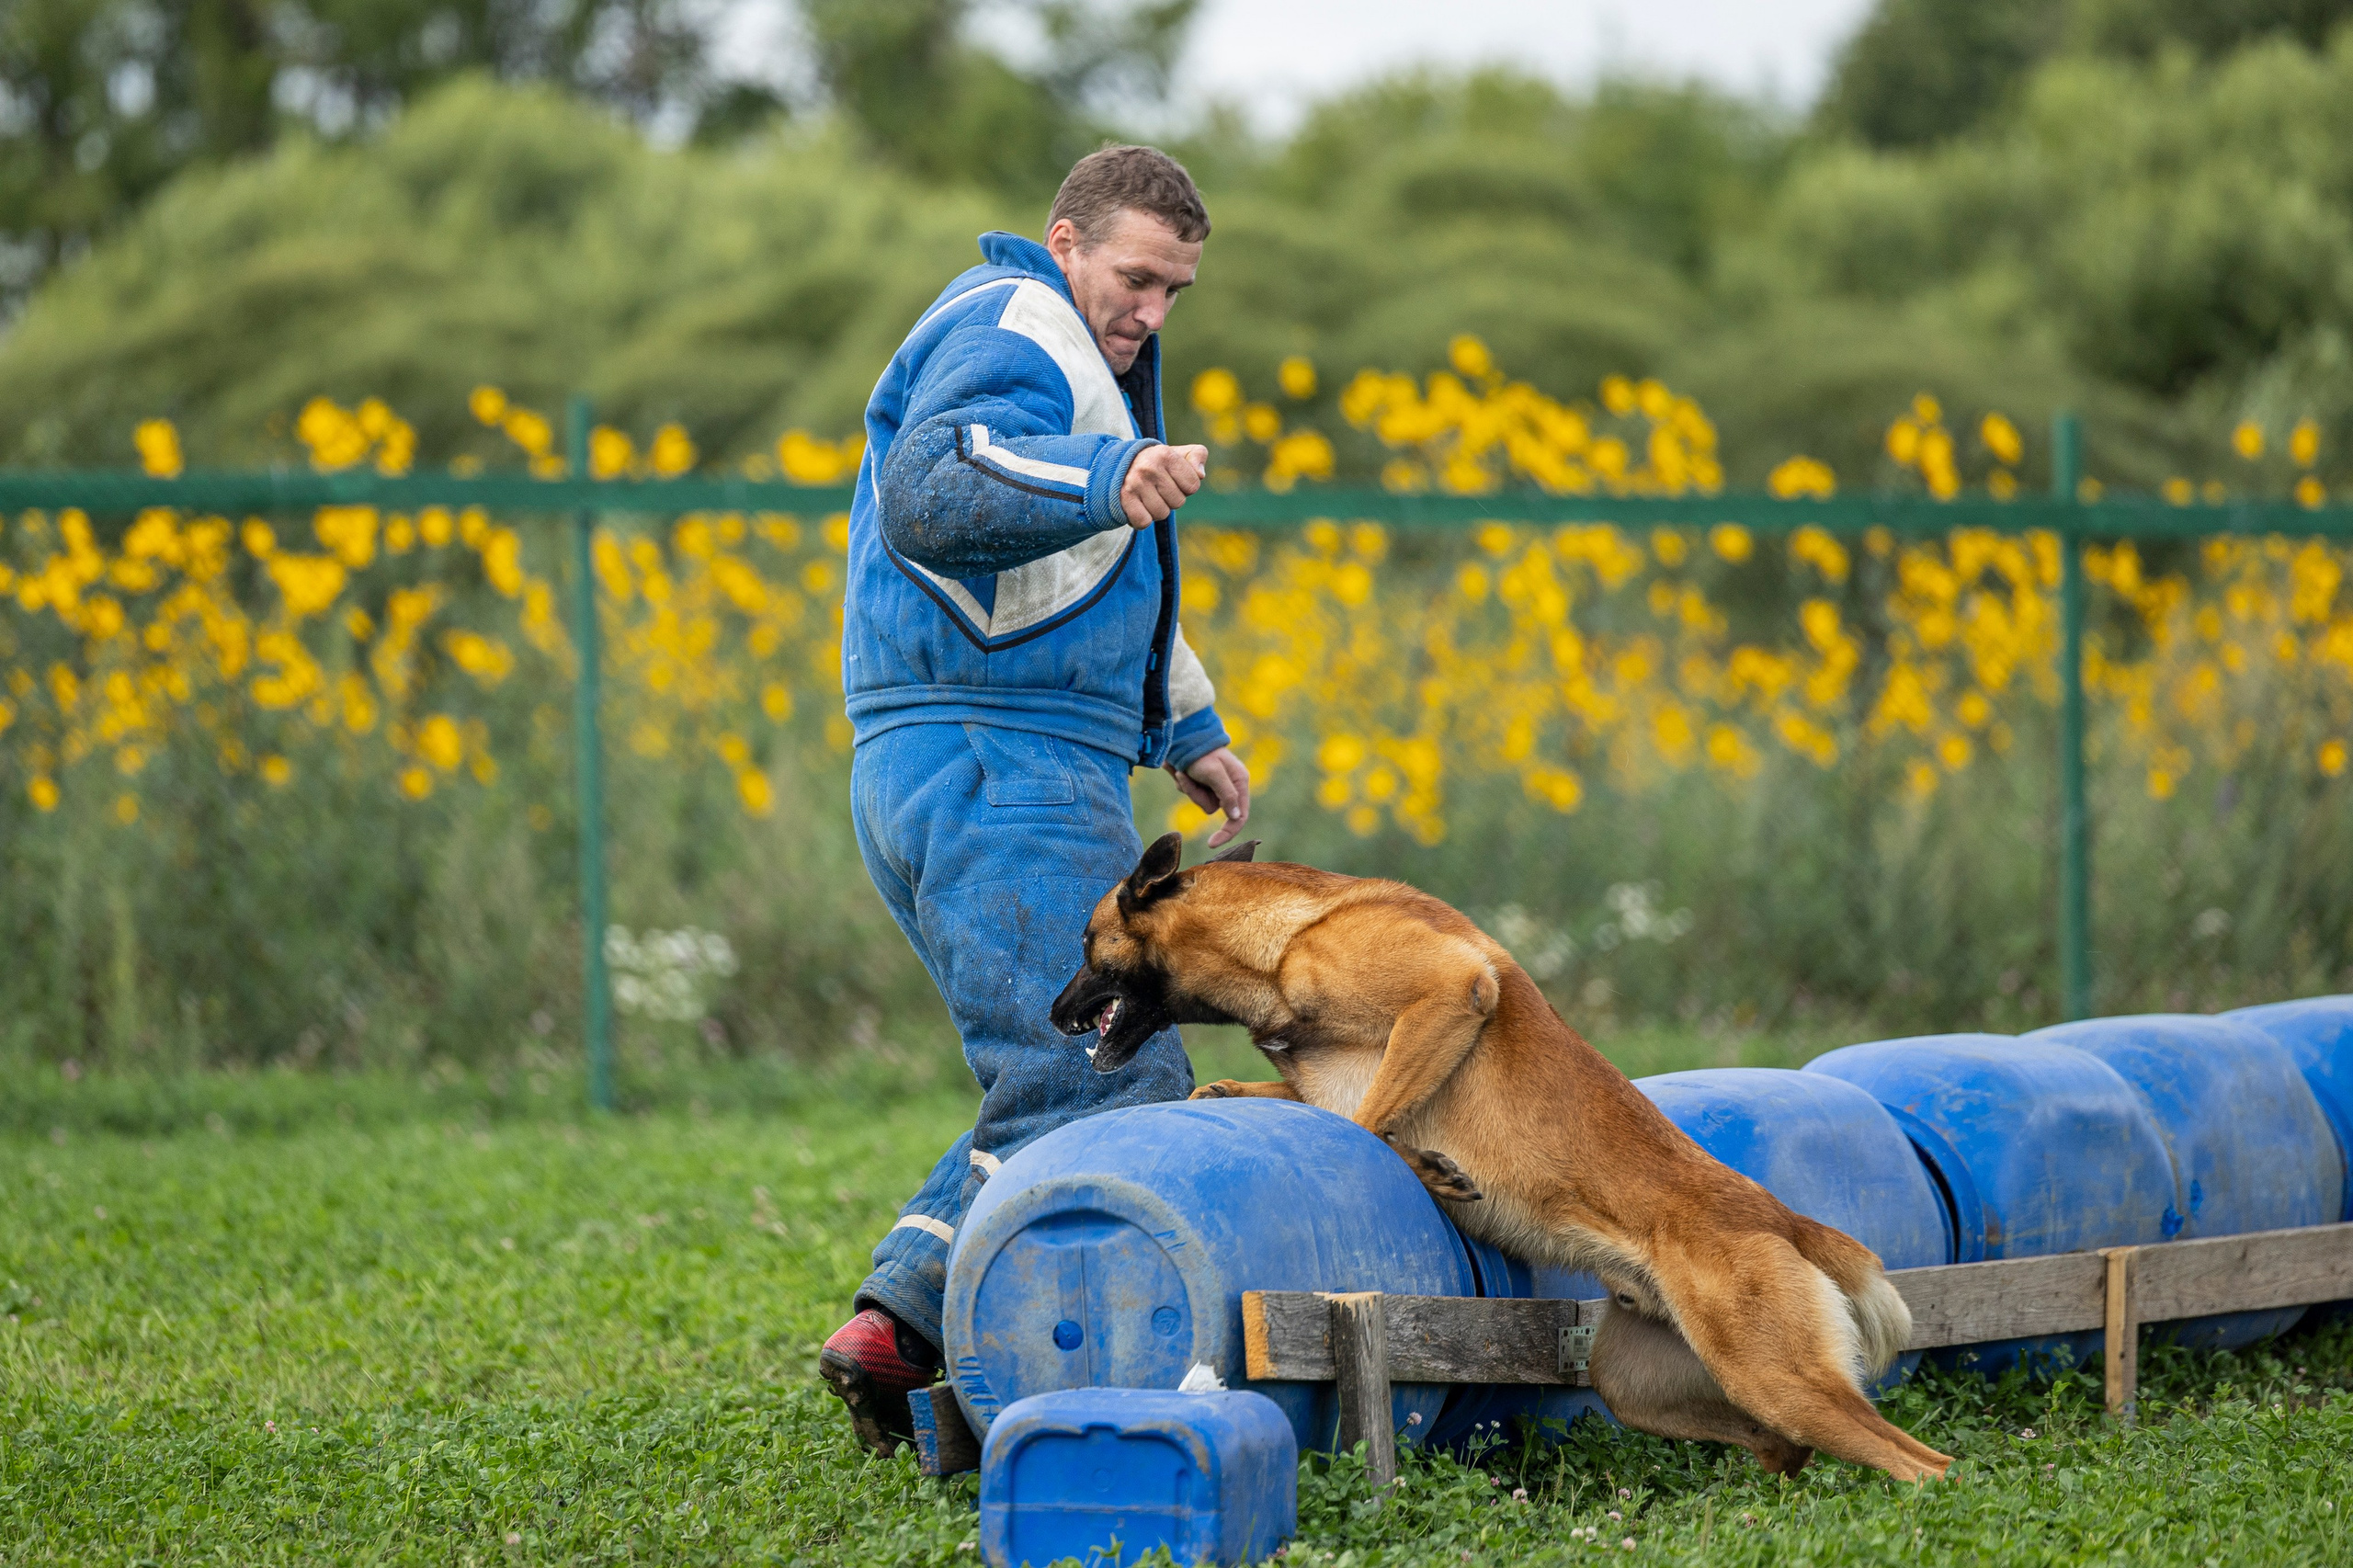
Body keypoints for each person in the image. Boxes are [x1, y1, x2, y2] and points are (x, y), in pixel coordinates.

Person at [816, 144, 1251, 1455]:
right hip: (996, 765)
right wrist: (1102, 475)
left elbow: (1103, 579)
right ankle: (950, 1348)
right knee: (1111, 1070)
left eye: (1176, 289)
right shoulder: (1017, 321)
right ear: (1065, 243)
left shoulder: (1082, 363)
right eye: (1136, 277)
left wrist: (1185, 723)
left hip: (974, 757)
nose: (1153, 310)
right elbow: (938, 488)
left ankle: (900, 1320)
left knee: (1066, 1066)